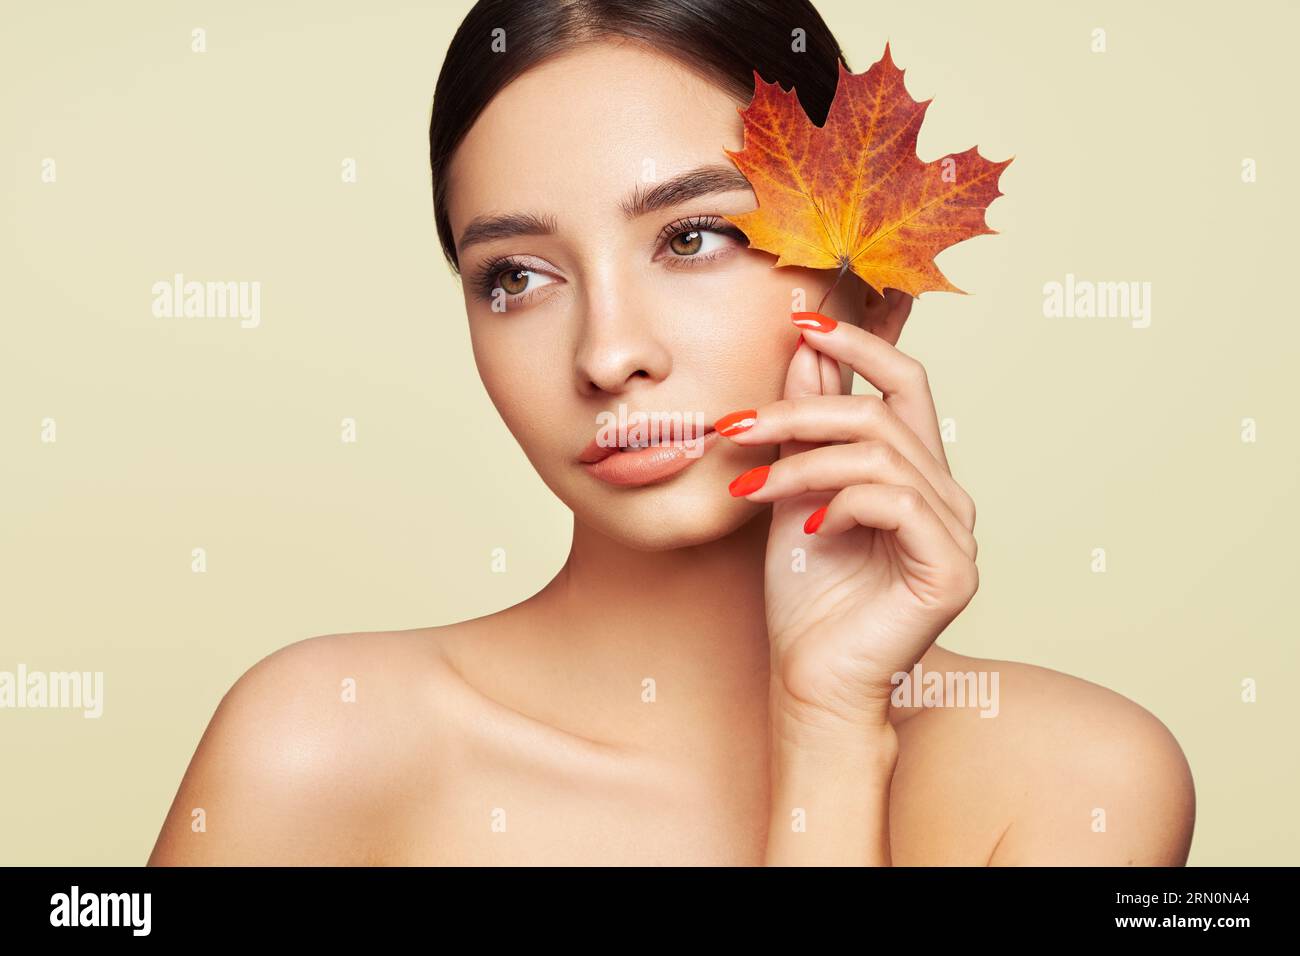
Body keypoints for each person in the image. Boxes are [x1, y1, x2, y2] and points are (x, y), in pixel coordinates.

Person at [148, 0, 1195, 866]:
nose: (607, 353)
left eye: (694, 237)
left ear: (868, 286)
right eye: (515, 275)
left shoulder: (1074, 780)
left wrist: (827, 729)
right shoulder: (319, 742)